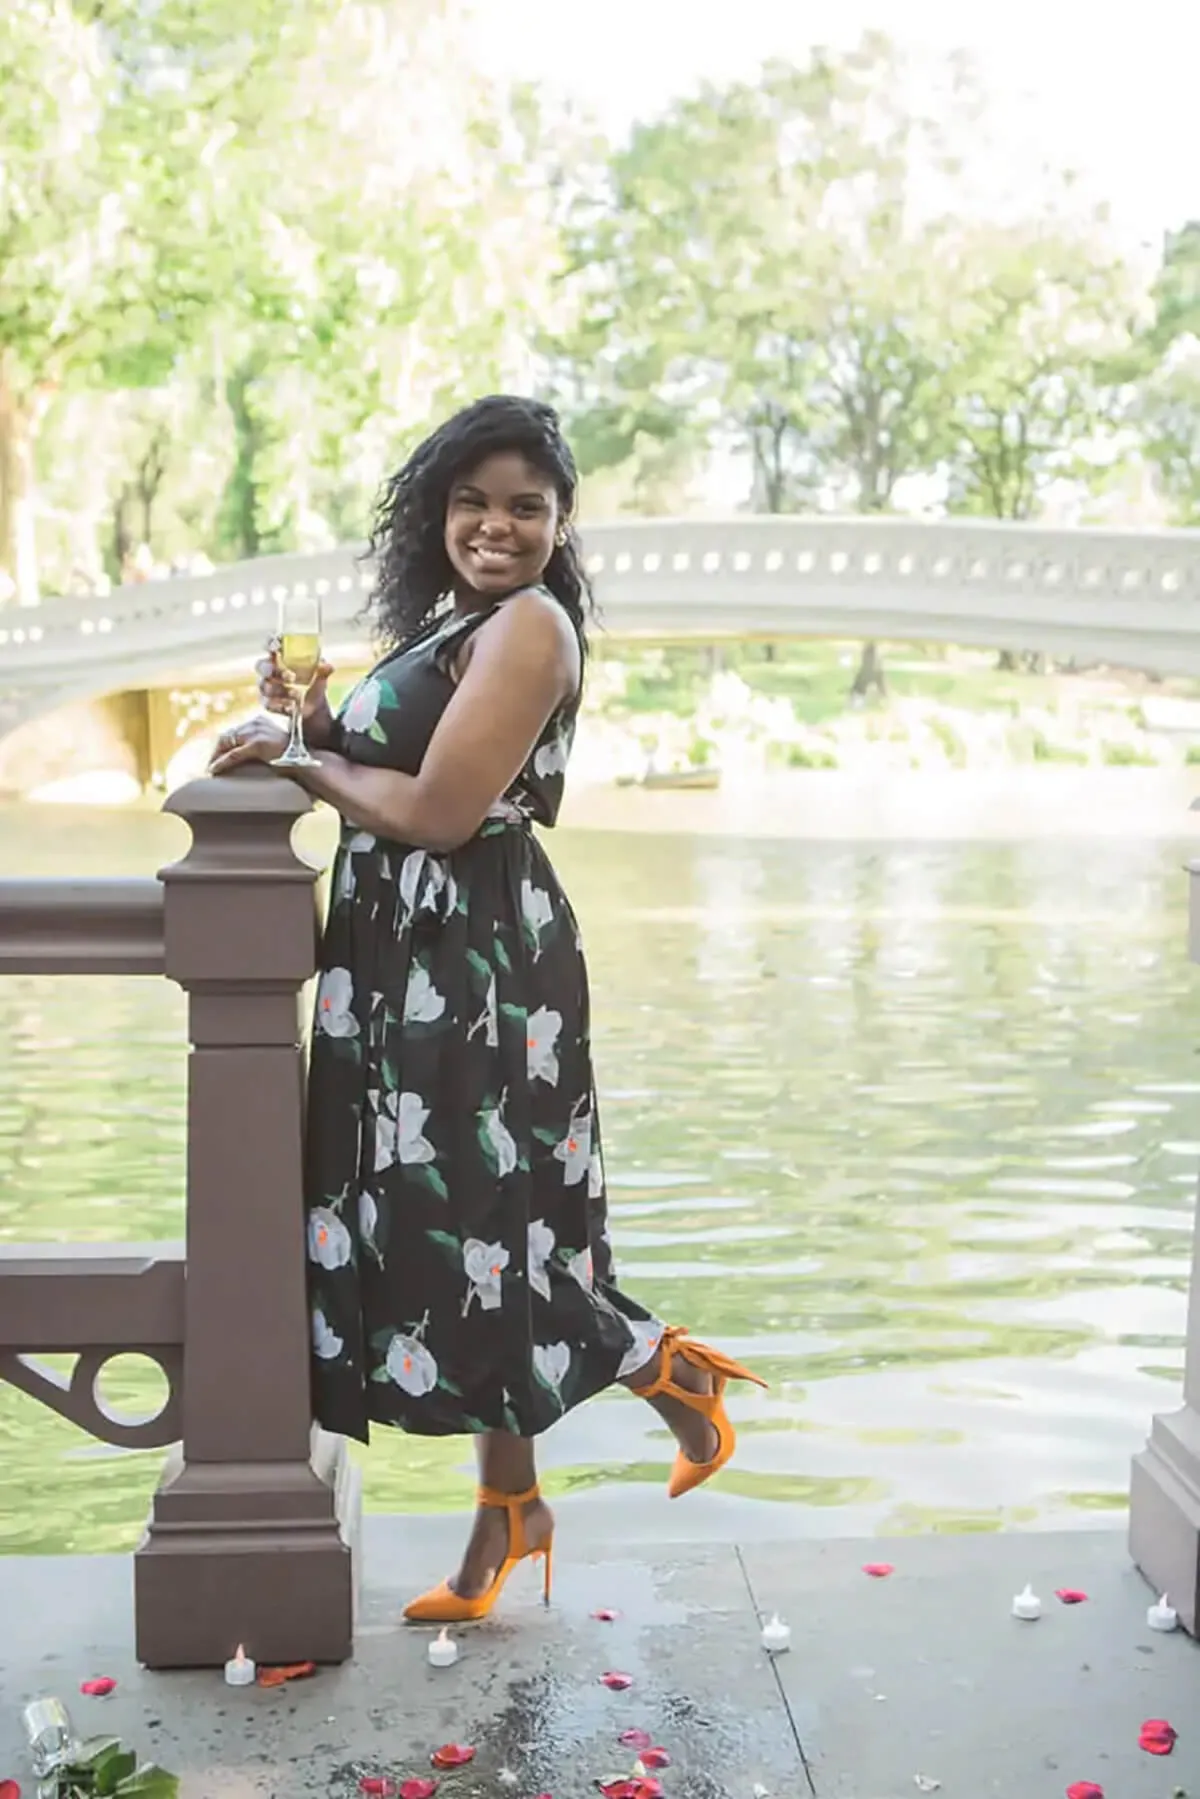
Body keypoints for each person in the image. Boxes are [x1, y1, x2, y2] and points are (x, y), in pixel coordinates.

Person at [208, 395, 765, 1623]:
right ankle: (515, 1506)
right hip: (405, 959)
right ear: (437, 512)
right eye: (472, 501)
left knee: (479, 1217)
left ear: (562, 523)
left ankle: (651, 1366)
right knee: (450, 1214)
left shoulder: (531, 629)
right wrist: (314, 720)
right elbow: (402, 766)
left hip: (472, 970)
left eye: (525, 504)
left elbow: (439, 813)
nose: (495, 524)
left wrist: (301, 761)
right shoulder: (455, 621)